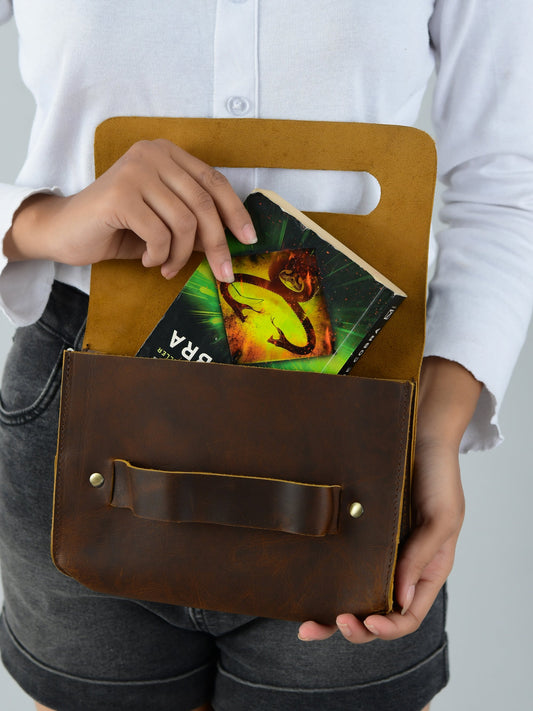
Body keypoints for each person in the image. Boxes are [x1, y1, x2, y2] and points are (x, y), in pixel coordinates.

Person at [0, 2, 531, 710]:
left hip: (355, 410)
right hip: (89, 397)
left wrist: (431, 436)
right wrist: (39, 222)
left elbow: (504, 186)